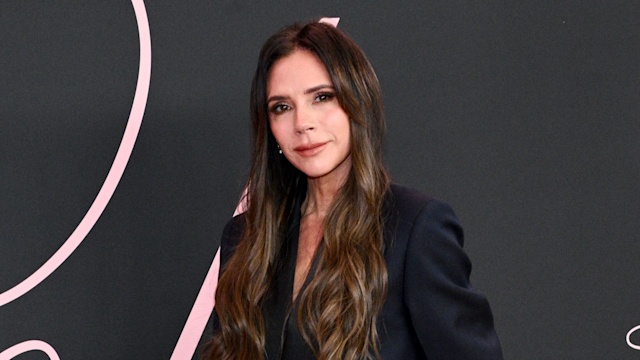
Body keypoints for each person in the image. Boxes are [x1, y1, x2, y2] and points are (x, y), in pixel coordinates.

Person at [204, 20, 503, 360]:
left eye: (322, 97)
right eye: (282, 107)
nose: (302, 124)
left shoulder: (415, 229)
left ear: (357, 100)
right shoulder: (244, 236)